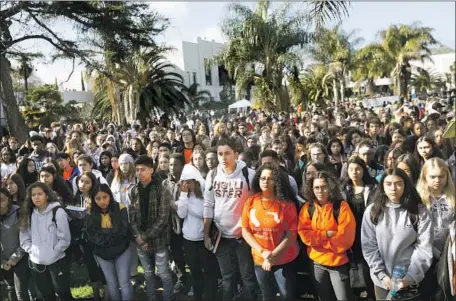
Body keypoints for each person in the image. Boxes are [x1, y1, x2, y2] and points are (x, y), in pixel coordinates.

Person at [361, 168, 433, 300]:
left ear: (406, 185)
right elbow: (369, 246)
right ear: (382, 186)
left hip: (410, 279)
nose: (393, 188)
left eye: (398, 183)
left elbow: (424, 248)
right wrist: (381, 274)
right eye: (388, 184)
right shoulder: (373, 211)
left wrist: (409, 277)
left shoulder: (419, 212)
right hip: (382, 280)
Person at [203, 138, 257, 301]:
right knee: (227, 277)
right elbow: (208, 204)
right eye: (220, 154)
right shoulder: (212, 175)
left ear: (236, 154)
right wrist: (206, 234)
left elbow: (254, 205)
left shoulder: (249, 174)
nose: (223, 158)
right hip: (220, 236)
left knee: (247, 276)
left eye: (227, 153)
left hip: (242, 237)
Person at [241, 164, 299, 301]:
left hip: (284, 259)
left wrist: (272, 255)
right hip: (260, 259)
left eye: (270, 179)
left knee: (287, 295)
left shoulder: (286, 204)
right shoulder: (251, 201)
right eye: (263, 178)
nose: (265, 182)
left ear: (277, 182)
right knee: (267, 295)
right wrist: (264, 253)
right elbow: (245, 230)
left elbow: (291, 234)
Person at [298, 171, 356, 301]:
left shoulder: (341, 207)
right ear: (311, 189)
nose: (320, 190)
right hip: (316, 263)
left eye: (324, 186)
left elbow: (345, 238)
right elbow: (304, 235)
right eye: (316, 187)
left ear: (330, 187)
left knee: (344, 298)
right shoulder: (308, 208)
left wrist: (319, 242)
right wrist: (326, 235)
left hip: (338, 263)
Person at [128, 155, 174, 301]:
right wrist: (139, 238)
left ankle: (168, 297)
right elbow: (132, 218)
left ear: (151, 170)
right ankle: (151, 297)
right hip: (141, 241)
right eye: (137, 170)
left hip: (158, 240)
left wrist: (145, 237)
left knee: (163, 273)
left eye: (143, 170)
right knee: (148, 273)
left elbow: (163, 219)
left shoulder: (162, 190)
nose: (139, 173)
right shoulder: (133, 191)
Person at [19, 182, 73, 301]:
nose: (36, 197)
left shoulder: (57, 212)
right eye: (33, 195)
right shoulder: (28, 213)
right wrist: (33, 251)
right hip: (37, 262)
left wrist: (54, 253)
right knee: (46, 295)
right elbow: (24, 239)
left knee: (63, 293)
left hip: (57, 261)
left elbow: (65, 239)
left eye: (39, 194)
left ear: (47, 195)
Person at [175, 164, 217, 300]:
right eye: (184, 182)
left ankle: (211, 296)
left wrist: (186, 205)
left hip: (203, 239)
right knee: (194, 271)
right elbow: (181, 214)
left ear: (196, 181)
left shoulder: (205, 194)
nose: (186, 185)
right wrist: (182, 196)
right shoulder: (184, 196)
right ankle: (198, 295)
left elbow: (204, 213)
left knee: (208, 271)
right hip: (189, 239)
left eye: (189, 182)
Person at [417, 158, 456, 300]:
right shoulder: (419, 199)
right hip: (427, 254)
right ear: (425, 177)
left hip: (450, 253)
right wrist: (434, 252)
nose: (437, 180)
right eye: (432, 176)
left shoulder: (452, 197)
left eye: (441, 176)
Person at [85, 184, 133, 301]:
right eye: (98, 198)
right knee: (111, 283)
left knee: (124, 282)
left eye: (105, 197)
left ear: (110, 196)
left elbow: (123, 231)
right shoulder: (90, 213)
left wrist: (107, 241)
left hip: (121, 249)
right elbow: (91, 234)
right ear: (93, 199)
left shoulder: (121, 208)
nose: (102, 201)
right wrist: (107, 241)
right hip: (102, 252)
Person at [343, 156, 377, 299]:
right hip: (351, 233)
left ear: (364, 170)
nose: (354, 172)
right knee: (355, 265)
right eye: (351, 169)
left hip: (369, 231)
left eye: (358, 169)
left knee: (370, 263)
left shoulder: (373, 188)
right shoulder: (343, 189)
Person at [162, 153, 190, 295]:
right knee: (176, 251)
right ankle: (182, 278)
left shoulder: (187, 182)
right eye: (171, 165)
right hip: (171, 224)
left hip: (186, 222)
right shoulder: (165, 183)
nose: (172, 168)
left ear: (182, 166)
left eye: (176, 165)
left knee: (189, 252)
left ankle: (194, 277)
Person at [1, 188, 30, 301]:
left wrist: (14, 259)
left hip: (19, 258)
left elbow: (26, 239)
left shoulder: (18, 213)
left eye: (2, 199)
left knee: (21, 293)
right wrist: (3, 262)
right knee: (10, 289)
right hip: (3, 261)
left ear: (8, 200)